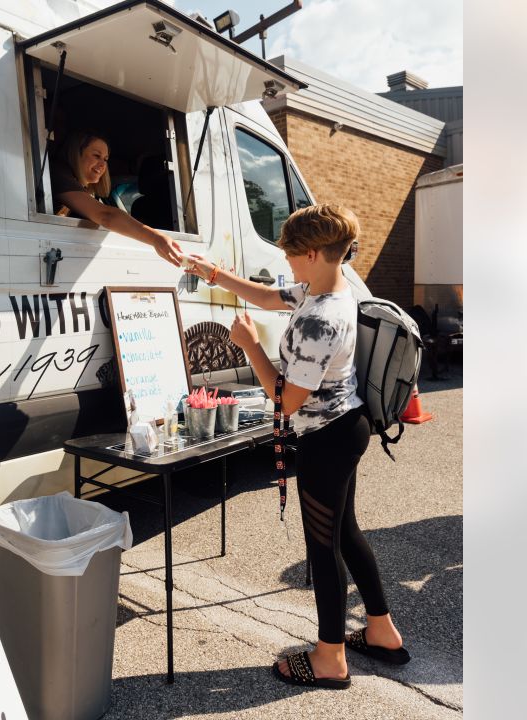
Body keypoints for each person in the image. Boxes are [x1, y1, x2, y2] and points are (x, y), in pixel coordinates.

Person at [183, 204, 411, 689]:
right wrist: (213, 273)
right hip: (345, 428)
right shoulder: (328, 288)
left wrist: (249, 347)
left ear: (311, 253)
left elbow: (285, 400)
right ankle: (382, 632)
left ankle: (330, 658)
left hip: (326, 441)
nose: (286, 262)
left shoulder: (319, 321)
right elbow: (268, 297)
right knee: (345, 534)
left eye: (290, 254)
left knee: (322, 547)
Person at [50, 130, 183, 267]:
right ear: (76, 154)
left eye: (105, 159)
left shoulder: (85, 190)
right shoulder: (58, 174)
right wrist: (156, 238)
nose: (103, 165)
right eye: (96, 156)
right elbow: (106, 215)